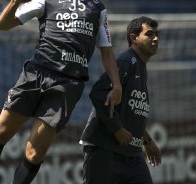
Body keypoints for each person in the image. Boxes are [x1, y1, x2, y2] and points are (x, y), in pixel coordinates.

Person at [0, 0, 122, 183]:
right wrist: (15, 2)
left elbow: (106, 51)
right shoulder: (45, 0)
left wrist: (117, 84)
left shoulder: (98, 8)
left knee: (34, 154)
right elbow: (3, 25)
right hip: (36, 74)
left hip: (68, 84)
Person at [79, 16, 162, 184]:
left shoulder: (140, 67)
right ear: (134, 38)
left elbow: (129, 113)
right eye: (150, 34)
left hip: (132, 155)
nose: (156, 38)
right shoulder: (126, 62)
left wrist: (147, 141)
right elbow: (99, 93)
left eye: (157, 34)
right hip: (104, 150)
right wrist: (117, 129)